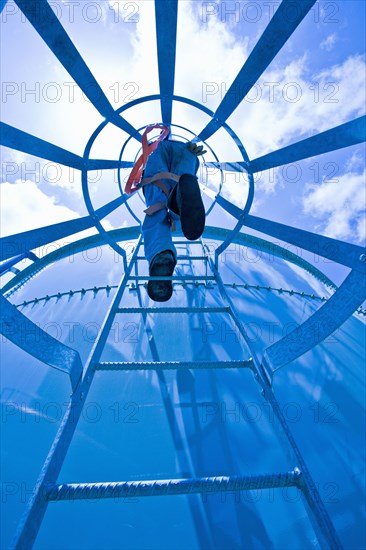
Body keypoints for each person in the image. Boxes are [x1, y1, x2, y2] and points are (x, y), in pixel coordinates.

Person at [141, 138, 206, 302]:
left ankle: (161, 251)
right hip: (184, 154)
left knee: (156, 205)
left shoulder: (158, 148)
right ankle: (179, 207)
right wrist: (193, 155)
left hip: (168, 159)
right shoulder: (165, 146)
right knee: (180, 183)